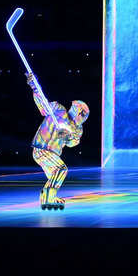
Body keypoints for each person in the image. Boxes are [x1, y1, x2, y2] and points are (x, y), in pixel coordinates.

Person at [27, 73, 89, 210]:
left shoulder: (77, 128)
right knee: (61, 170)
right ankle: (49, 197)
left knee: (54, 176)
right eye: (79, 111)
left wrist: (66, 136)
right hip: (42, 149)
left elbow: (73, 142)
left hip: (52, 154)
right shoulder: (58, 110)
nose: (79, 116)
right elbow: (43, 107)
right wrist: (35, 88)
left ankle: (48, 197)